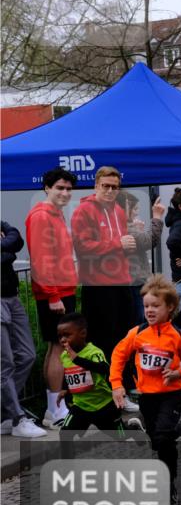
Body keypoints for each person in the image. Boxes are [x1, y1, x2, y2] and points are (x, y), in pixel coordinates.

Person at [110, 275, 181, 505]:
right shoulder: (137, 333)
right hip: (147, 396)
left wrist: (178, 372)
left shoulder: (178, 335)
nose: (149, 310)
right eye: (146, 306)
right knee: (157, 441)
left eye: (155, 306)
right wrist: (117, 385)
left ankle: (168, 486)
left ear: (169, 307)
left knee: (163, 437)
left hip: (172, 394)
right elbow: (118, 355)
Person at [25, 168, 79, 428]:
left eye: (68, 189)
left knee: (55, 347)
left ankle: (54, 407)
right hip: (55, 293)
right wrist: (52, 295)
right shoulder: (41, 215)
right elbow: (41, 258)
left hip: (62, 290)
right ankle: (55, 410)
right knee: (58, 348)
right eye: (59, 188)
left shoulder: (56, 214)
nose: (65, 193)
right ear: (47, 188)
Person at [71, 166, 135, 376]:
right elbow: (82, 247)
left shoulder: (118, 210)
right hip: (97, 285)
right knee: (103, 338)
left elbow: (119, 245)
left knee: (125, 335)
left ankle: (123, 382)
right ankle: (107, 385)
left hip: (121, 281)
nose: (110, 191)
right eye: (105, 186)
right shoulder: (83, 210)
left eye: (114, 187)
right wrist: (118, 244)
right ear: (96, 186)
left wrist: (127, 247)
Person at [0, 221, 45, 438]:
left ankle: (5, 412)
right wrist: (6, 250)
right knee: (5, 362)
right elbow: (9, 252)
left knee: (27, 355)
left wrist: (5, 248)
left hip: (12, 296)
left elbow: (16, 239)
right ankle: (17, 417)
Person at [57, 313, 129, 444]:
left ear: (83, 333)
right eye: (60, 336)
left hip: (103, 405)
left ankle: (135, 428)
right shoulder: (64, 356)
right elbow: (68, 372)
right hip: (80, 406)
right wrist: (64, 389)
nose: (62, 340)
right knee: (65, 434)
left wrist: (77, 359)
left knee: (121, 437)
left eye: (67, 335)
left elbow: (105, 369)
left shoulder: (94, 352)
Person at [119, 192, 165, 325]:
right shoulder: (125, 227)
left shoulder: (127, 226)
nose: (136, 213)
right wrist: (157, 217)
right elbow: (150, 240)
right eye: (134, 209)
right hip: (135, 283)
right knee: (139, 321)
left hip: (135, 281)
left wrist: (138, 230)